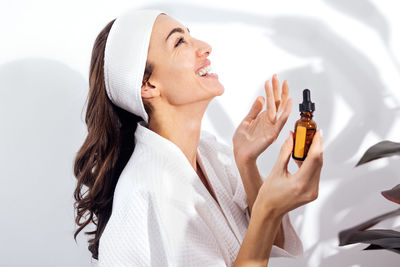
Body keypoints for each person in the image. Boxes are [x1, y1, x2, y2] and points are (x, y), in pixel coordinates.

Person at [73, 8, 323, 267]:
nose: (206, 47)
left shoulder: (211, 154)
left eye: (190, 36)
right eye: (179, 41)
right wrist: (268, 210)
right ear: (147, 85)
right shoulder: (151, 189)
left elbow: (273, 246)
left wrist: (246, 161)